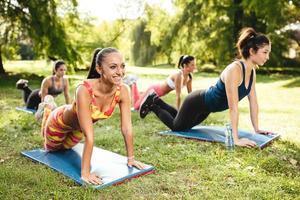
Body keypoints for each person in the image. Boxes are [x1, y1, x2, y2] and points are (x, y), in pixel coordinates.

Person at [139, 27, 273, 148]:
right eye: (265, 52)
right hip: (197, 101)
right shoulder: (235, 69)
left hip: (207, 108)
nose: (267, 57)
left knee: (183, 125)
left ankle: (155, 100)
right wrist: (235, 139)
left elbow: (253, 102)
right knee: (176, 126)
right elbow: (233, 108)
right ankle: (153, 105)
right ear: (252, 51)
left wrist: (257, 129)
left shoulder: (252, 72)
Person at [40, 47, 144, 185]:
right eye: (113, 67)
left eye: (122, 66)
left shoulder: (123, 90)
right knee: (53, 149)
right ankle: (48, 109)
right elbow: (90, 136)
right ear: (99, 69)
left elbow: (127, 128)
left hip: (77, 130)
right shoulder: (84, 89)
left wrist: (131, 158)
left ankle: (50, 108)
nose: (120, 72)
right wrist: (85, 173)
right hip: (59, 122)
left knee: (65, 148)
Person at [126, 55, 196, 111]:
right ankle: (133, 83)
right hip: (154, 90)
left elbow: (190, 94)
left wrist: (194, 107)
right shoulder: (178, 76)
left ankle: (134, 84)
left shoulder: (189, 77)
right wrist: (178, 112)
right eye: (192, 65)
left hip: (160, 93)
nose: (194, 67)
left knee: (141, 102)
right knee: (136, 107)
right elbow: (178, 96)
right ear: (185, 65)